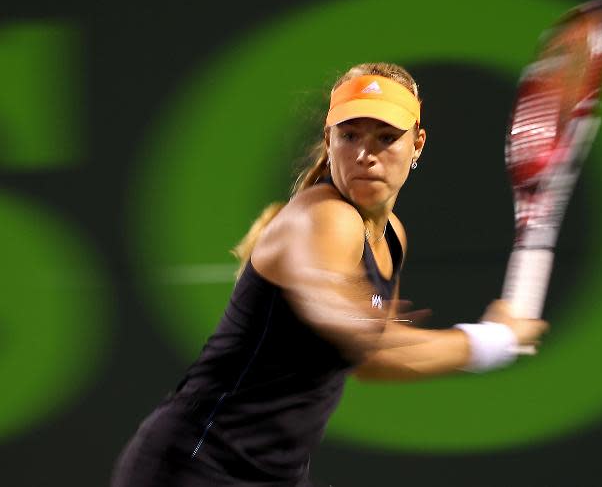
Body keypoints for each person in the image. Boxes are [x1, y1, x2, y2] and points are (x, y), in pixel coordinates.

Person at [111, 62, 549, 487]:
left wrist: (485, 341)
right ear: (329, 138)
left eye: (386, 137)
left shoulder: (391, 236)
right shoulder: (324, 217)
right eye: (350, 135)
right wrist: (495, 340)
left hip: (274, 473)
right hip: (195, 467)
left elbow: (371, 363)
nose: (365, 154)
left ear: (417, 145)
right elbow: (355, 333)